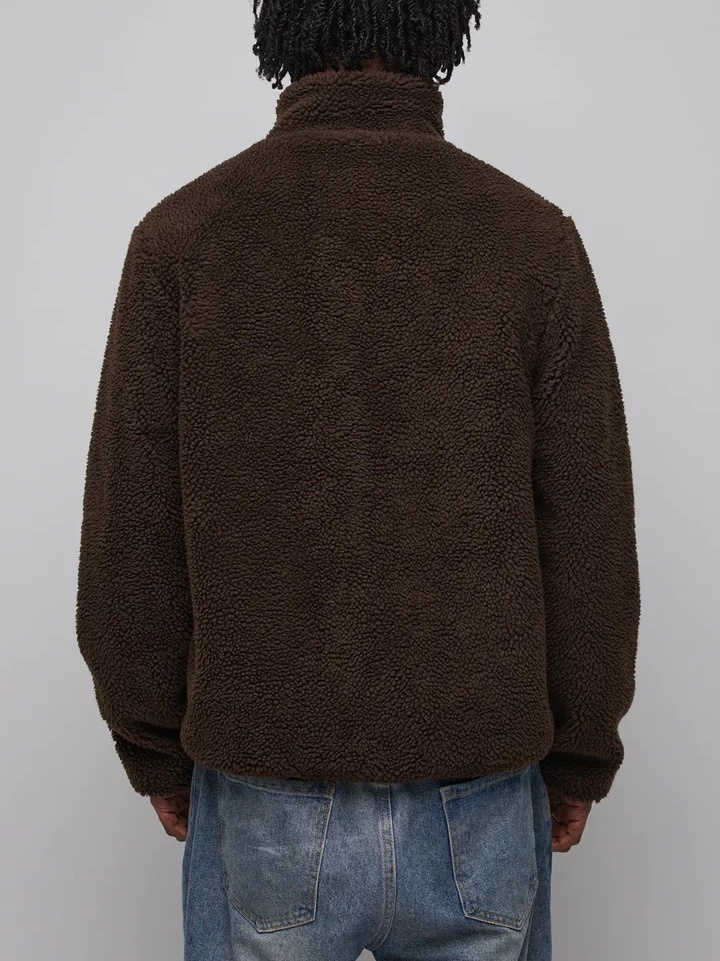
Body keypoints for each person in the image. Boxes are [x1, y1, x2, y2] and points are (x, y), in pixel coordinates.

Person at [75, 1, 641, 958]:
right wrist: (581, 749)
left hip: (265, 783)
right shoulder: (531, 238)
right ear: (440, 31)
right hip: (480, 789)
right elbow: (588, 527)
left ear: (284, 31)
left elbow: (130, 532)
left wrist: (154, 746)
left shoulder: (183, 237)